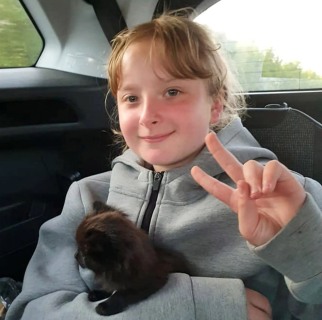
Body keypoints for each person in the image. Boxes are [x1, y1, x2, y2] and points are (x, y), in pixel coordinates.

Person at [6, 10, 322, 320]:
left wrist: (304, 252)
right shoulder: (86, 197)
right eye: (131, 98)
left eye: (172, 92)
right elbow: (33, 310)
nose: (147, 115)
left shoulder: (283, 198)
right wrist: (195, 306)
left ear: (215, 105)